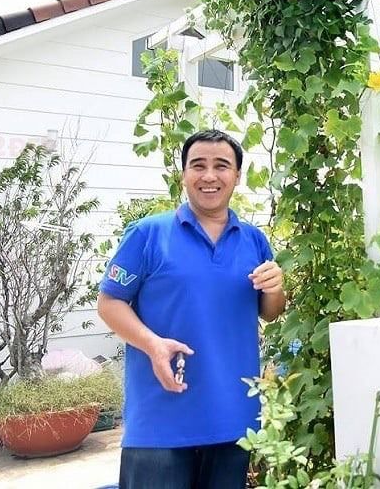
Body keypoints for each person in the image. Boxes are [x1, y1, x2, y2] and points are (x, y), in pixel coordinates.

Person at [98, 129, 285, 489]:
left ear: (237, 176)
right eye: (198, 165)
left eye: (222, 166)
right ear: (183, 174)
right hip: (160, 421)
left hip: (233, 418)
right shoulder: (148, 234)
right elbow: (109, 302)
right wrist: (152, 344)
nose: (210, 175)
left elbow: (270, 311)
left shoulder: (254, 240)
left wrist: (276, 288)